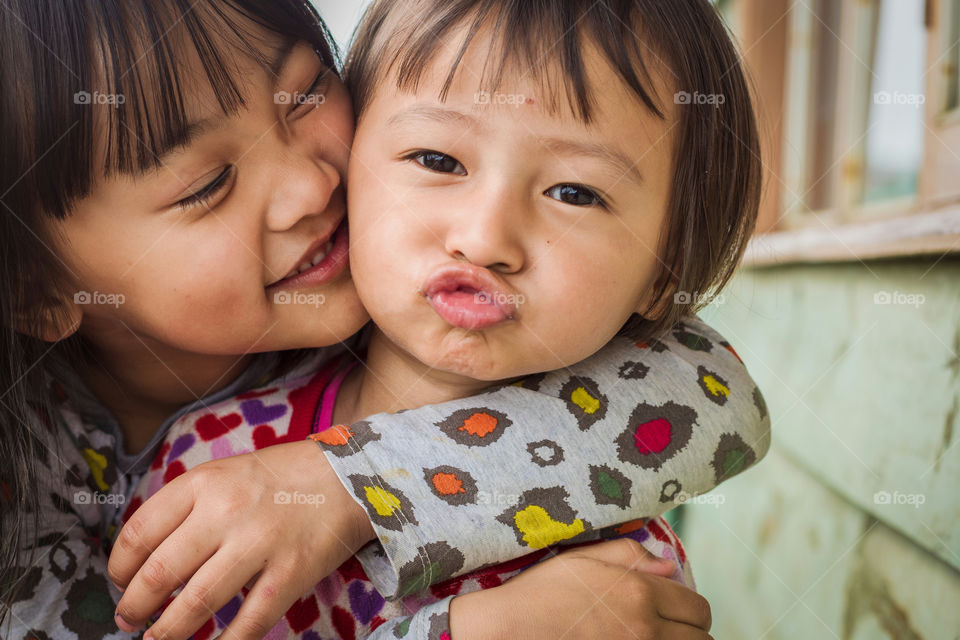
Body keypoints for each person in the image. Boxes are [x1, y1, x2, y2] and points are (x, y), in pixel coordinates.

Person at [104, 0, 768, 638]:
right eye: (437, 160)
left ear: (665, 271)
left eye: (575, 193)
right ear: (355, 164)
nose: (484, 239)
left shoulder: (616, 578)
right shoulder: (212, 460)